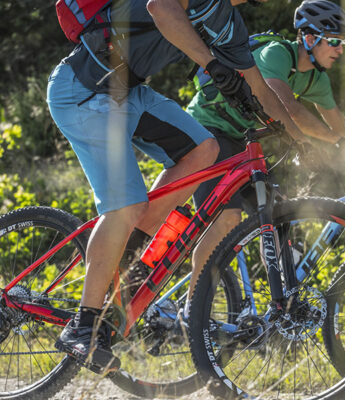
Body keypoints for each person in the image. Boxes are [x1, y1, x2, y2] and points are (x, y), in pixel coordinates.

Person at [47, 0, 307, 373]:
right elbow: (160, 8)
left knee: (204, 150)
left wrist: (299, 140)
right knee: (126, 206)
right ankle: (83, 326)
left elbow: (261, 89)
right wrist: (212, 64)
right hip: (84, 90)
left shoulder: (230, 26)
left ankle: (129, 263)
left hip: (127, 92)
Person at [183, 0, 345, 313]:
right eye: (334, 41)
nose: (340, 50)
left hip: (243, 142)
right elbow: (284, 105)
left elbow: (338, 124)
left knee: (279, 212)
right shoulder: (277, 54)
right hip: (209, 130)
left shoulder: (315, 79)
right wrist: (322, 144)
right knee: (228, 219)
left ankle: (282, 304)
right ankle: (192, 309)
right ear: (309, 38)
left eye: (343, 43)